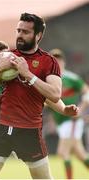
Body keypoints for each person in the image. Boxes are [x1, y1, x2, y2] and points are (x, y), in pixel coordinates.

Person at [0, 13, 78, 179]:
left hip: (29, 132)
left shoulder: (49, 62)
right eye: (18, 30)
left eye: (25, 32)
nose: (19, 34)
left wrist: (28, 74)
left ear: (38, 35)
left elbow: (54, 94)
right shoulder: (5, 57)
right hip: (0, 128)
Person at [49, 48, 89, 179]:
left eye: (59, 59)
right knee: (80, 154)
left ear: (64, 62)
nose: (57, 61)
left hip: (71, 120)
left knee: (62, 152)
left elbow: (87, 93)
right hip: (61, 121)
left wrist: (81, 110)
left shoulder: (71, 78)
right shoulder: (48, 80)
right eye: (54, 59)